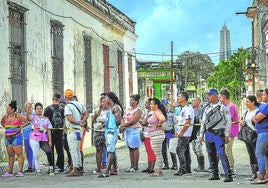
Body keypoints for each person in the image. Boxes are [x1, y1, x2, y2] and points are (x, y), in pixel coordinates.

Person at [200, 88, 233, 182]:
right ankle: (214, 173)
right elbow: (203, 122)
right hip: (209, 133)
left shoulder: (223, 107)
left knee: (222, 153)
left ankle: (228, 175)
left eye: (210, 95)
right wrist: (201, 135)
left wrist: (227, 134)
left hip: (219, 134)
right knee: (211, 154)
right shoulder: (207, 108)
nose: (208, 97)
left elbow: (228, 121)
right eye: (208, 95)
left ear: (215, 95)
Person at [1, 100, 30, 177]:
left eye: (8, 108)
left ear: (13, 109)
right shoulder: (5, 116)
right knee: (10, 155)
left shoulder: (18, 116)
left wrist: (21, 127)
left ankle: (20, 171)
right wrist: (8, 128)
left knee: (19, 154)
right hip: (8, 138)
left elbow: (27, 122)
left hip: (16, 137)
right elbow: (2, 122)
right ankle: (10, 172)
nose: (7, 110)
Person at [98, 92, 123, 178]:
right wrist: (105, 125)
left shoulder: (116, 108)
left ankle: (107, 171)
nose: (105, 100)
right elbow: (110, 119)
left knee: (110, 151)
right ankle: (114, 169)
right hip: (108, 131)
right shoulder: (111, 108)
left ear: (110, 98)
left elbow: (118, 121)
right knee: (111, 150)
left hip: (112, 132)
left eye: (106, 98)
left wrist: (112, 127)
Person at [64, 89, 89, 177]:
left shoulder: (68, 106)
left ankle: (75, 168)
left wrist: (79, 122)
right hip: (79, 131)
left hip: (72, 130)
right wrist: (82, 121)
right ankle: (80, 167)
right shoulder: (79, 104)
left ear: (66, 97)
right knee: (78, 149)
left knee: (73, 149)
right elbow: (86, 113)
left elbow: (69, 118)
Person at [29, 102, 55, 176]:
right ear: (35, 110)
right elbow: (27, 117)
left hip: (43, 138)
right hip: (34, 138)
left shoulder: (46, 119)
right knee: (36, 154)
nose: (39, 110)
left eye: (40, 109)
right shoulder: (33, 118)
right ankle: (38, 171)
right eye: (37, 109)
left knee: (49, 151)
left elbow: (49, 130)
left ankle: (51, 168)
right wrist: (28, 109)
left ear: (42, 110)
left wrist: (50, 141)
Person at [43, 93, 65, 173]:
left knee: (50, 150)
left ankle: (51, 167)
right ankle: (61, 167)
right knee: (60, 150)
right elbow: (64, 120)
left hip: (50, 132)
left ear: (52, 99)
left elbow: (44, 121)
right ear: (59, 100)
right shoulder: (62, 109)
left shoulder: (47, 109)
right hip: (59, 131)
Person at [121, 94, 143, 172]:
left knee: (135, 147)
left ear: (136, 102)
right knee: (130, 148)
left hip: (134, 130)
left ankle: (135, 166)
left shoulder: (138, 110)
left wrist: (123, 125)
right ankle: (131, 165)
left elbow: (133, 121)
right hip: (128, 130)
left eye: (132, 100)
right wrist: (123, 127)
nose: (131, 102)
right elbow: (124, 118)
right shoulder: (128, 109)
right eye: (130, 100)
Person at [220, 88, 239, 176]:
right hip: (228, 131)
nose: (220, 99)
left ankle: (231, 169)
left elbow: (228, 120)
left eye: (220, 97)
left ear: (224, 97)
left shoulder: (230, 106)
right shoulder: (227, 106)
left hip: (230, 131)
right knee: (226, 150)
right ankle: (228, 168)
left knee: (228, 150)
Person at [174, 92, 194, 176]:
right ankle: (187, 168)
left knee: (179, 150)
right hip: (183, 132)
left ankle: (182, 169)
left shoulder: (188, 108)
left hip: (185, 133)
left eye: (179, 96)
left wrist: (182, 132)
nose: (178, 98)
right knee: (185, 151)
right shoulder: (184, 108)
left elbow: (188, 121)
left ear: (184, 98)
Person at [239, 95, 259, 181]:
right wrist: (241, 122)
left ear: (253, 102)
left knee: (258, 155)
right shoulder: (246, 112)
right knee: (251, 155)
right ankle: (254, 173)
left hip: (256, 136)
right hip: (247, 137)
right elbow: (242, 120)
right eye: (245, 102)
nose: (246, 103)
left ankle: (261, 173)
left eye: (247, 102)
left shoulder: (258, 111)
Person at [251, 89, 268, 184]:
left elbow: (257, 118)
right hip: (263, 133)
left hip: (264, 133)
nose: (262, 96)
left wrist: (254, 118)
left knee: (260, 154)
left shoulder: (266, 107)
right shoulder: (264, 106)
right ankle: (266, 176)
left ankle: (261, 177)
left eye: (265, 94)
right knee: (265, 156)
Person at [147, 98, 166, 177]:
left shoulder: (157, 112)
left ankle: (159, 170)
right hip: (154, 135)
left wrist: (158, 125)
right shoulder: (155, 112)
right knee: (157, 153)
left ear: (156, 105)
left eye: (152, 104)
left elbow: (162, 119)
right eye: (150, 104)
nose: (150, 105)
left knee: (158, 154)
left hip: (157, 134)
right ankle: (159, 170)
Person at [91, 96, 109, 174]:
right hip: (98, 132)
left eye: (106, 102)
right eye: (103, 102)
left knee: (109, 150)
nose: (105, 103)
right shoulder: (97, 110)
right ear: (101, 103)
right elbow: (93, 121)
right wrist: (95, 116)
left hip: (106, 132)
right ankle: (98, 168)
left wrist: (104, 125)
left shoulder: (110, 111)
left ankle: (110, 167)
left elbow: (111, 121)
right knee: (99, 150)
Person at [140, 98, 156, 173]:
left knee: (151, 151)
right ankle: (149, 167)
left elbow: (144, 122)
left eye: (146, 103)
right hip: (147, 134)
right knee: (148, 151)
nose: (145, 104)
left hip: (151, 134)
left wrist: (139, 120)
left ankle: (152, 167)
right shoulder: (147, 112)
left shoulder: (152, 113)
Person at [161, 100, 178, 170]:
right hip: (161, 133)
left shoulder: (171, 114)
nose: (164, 106)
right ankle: (166, 164)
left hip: (169, 133)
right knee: (163, 150)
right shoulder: (158, 114)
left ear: (167, 105)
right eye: (163, 105)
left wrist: (176, 132)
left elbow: (175, 123)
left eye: (165, 105)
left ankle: (175, 165)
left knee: (171, 149)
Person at [191, 97, 206, 172]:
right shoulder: (191, 111)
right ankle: (199, 166)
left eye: (194, 101)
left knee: (198, 149)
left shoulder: (201, 111)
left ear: (198, 102)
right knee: (194, 149)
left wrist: (201, 135)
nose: (192, 102)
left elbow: (202, 123)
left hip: (199, 132)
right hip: (192, 133)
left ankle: (202, 167)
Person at [21, 101, 36, 173]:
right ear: (25, 107)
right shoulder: (22, 114)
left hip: (33, 134)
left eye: (31, 107)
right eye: (28, 107)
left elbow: (28, 118)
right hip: (26, 135)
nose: (30, 109)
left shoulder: (34, 114)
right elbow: (24, 119)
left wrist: (28, 109)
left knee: (32, 150)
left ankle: (31, 166)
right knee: (27, 151)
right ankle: (31, 165)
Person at [59, 97, 72, 172]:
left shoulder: (68, 111)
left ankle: (71, 164)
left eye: (63, 103)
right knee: (66, 149)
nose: (61, 104)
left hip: (69, 133)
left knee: (70, 149)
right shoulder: (60, 112)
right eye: (60, 102)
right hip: (64, 133)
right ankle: (69, 164)